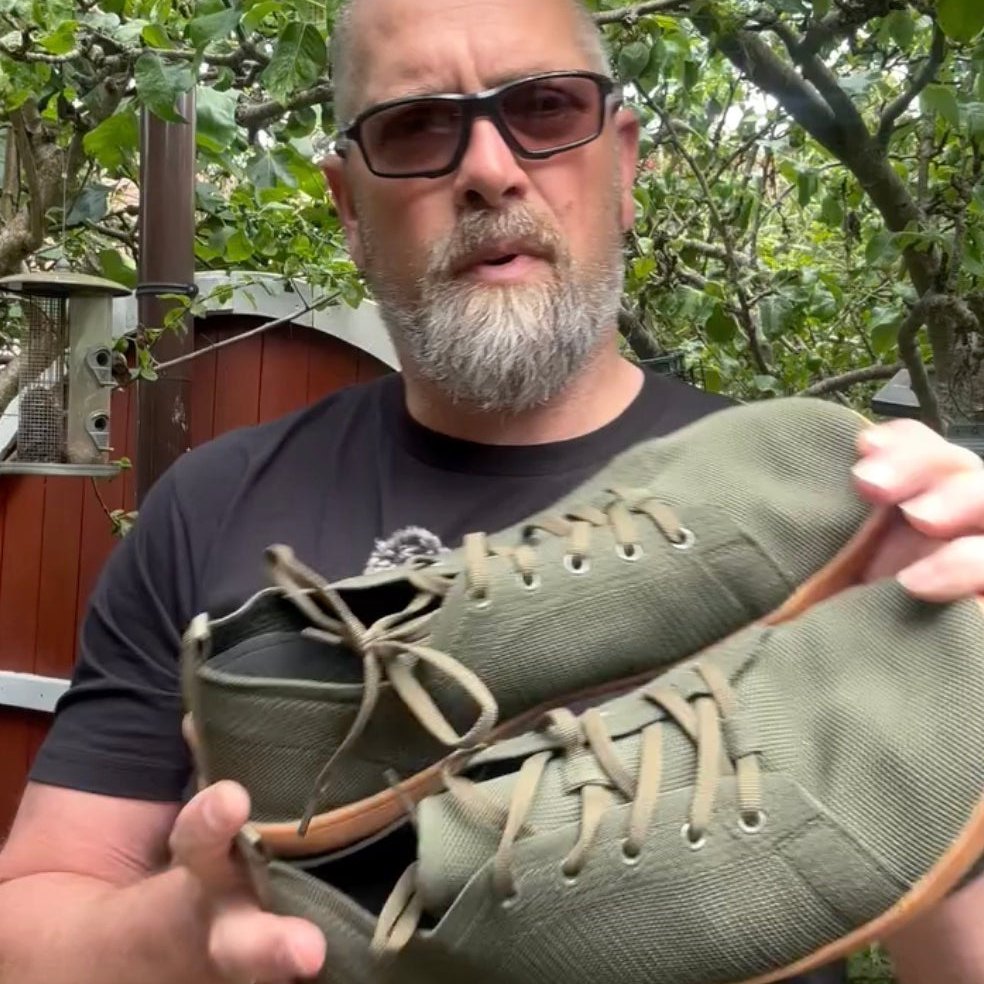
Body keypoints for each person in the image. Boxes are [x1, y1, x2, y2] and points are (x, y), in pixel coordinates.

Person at [0, 0, 981, 982]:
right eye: (417, 126)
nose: (489, 169)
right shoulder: (209, 505)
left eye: (546, 109)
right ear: (347, 207)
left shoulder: (822, 512)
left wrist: (961, 680)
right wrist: (187, 935)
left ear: (625, 164)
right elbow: (30, 917)